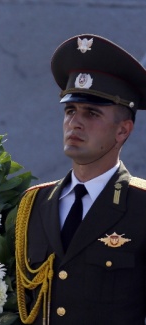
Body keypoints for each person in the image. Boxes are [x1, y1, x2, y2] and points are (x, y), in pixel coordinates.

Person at [15, 34, 146, 324]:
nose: (75, 122)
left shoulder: (141, 206)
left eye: (92, 113)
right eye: (70, 110)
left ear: (123, 131)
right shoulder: (34, 205)